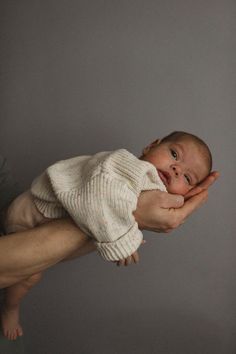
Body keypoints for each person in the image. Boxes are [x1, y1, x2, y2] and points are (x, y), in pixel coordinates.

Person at [0, 131, 218, 340]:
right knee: (29, 276)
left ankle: (11, 305)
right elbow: (97, 198)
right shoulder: (124, 164)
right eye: (174, 154)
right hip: (28, 214)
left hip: (45, 228)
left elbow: (112, 214)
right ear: (151, 146)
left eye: (188, 178)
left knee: (30, 274)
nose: (177, 169)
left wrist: (133, 225)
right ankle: (10, 307)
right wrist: (124, 239)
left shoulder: (148, 190)